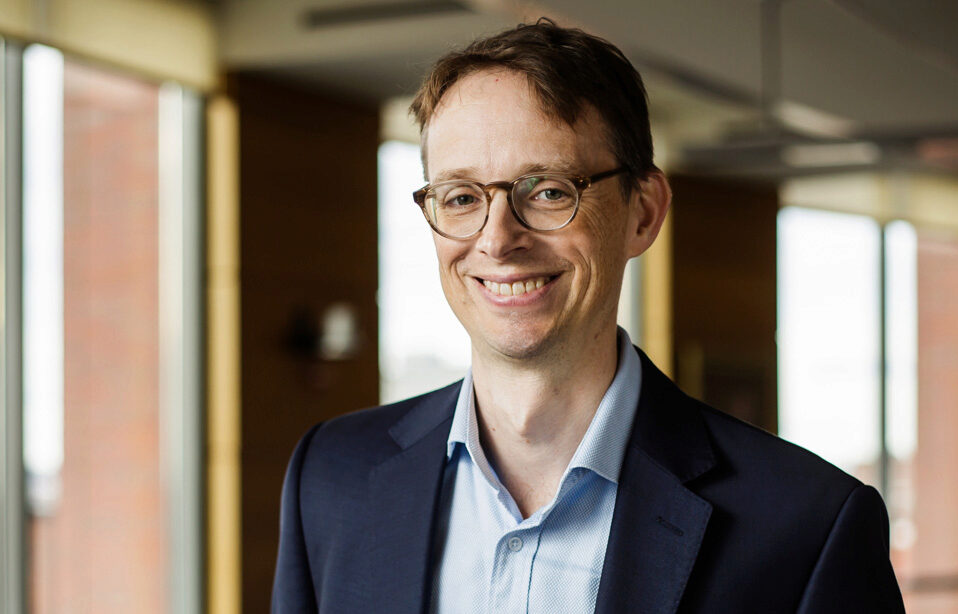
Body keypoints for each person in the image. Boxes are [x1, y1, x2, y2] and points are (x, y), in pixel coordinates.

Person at [272, 20, 905, 614]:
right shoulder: (331, 479)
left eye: (548, 191)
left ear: (643, 212)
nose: (497, 240)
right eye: (461, 197)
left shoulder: (806, 524)